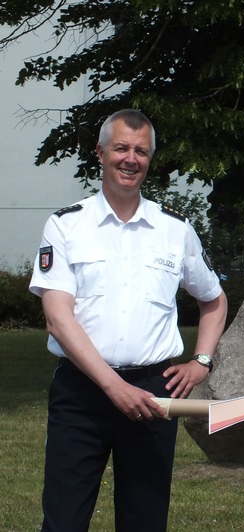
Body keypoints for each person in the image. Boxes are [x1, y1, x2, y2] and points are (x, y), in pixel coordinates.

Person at [29, 109, 229, 532]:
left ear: (150, 159)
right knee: (64, 519)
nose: (130, 159)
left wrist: (202, 361)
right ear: (100, 153)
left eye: (141, 151)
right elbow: (58, 320)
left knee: (145, 520)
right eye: (121, 148)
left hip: (153, 395)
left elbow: (213, 300)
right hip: (81, 394)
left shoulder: (174, 229)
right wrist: (112, 386)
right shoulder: (66, 225)